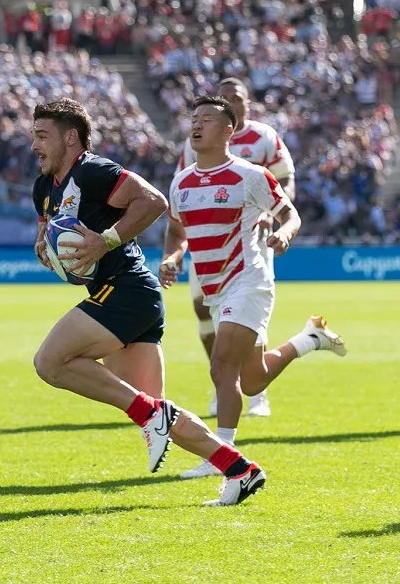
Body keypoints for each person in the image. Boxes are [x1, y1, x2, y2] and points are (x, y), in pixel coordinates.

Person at [30, 98, 265, 506]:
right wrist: (49, 252)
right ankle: (239, 469)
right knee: (158, 409)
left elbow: (154, 202)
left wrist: (105, 240)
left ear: (70, 138)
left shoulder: (93, 170)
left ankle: (148, 416)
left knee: (49, 363)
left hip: (128, 290)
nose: (34, 144)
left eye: (42, 135)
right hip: (117, 294)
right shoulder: (43, 187)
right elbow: (49, 238)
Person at [161, 95, 346, 480]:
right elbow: (176, 231)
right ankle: (310, 338)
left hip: (249, 280)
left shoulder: (250, 175)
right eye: (194, 118)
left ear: (229, 131)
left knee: (221, 366)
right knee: (252, 379)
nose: (196, 125)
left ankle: (223, 459)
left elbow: (289, 214)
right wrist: (174, 258)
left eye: (207, 119)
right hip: (214, 288)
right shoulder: (181, 182)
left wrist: (284, 233)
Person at [176, 78, 297, 418]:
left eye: (236, 97)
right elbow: (184, 198)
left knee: (248, 315)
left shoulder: (263, 138)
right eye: (224, 96)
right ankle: (228, 382)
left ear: (245, 103)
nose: (231, 100)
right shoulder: (194, 148)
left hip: (252, 243)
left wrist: (274, 217)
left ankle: (249, 394)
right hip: (205, 246)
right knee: (204, 312)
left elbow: (285, 182)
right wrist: (174, 252)